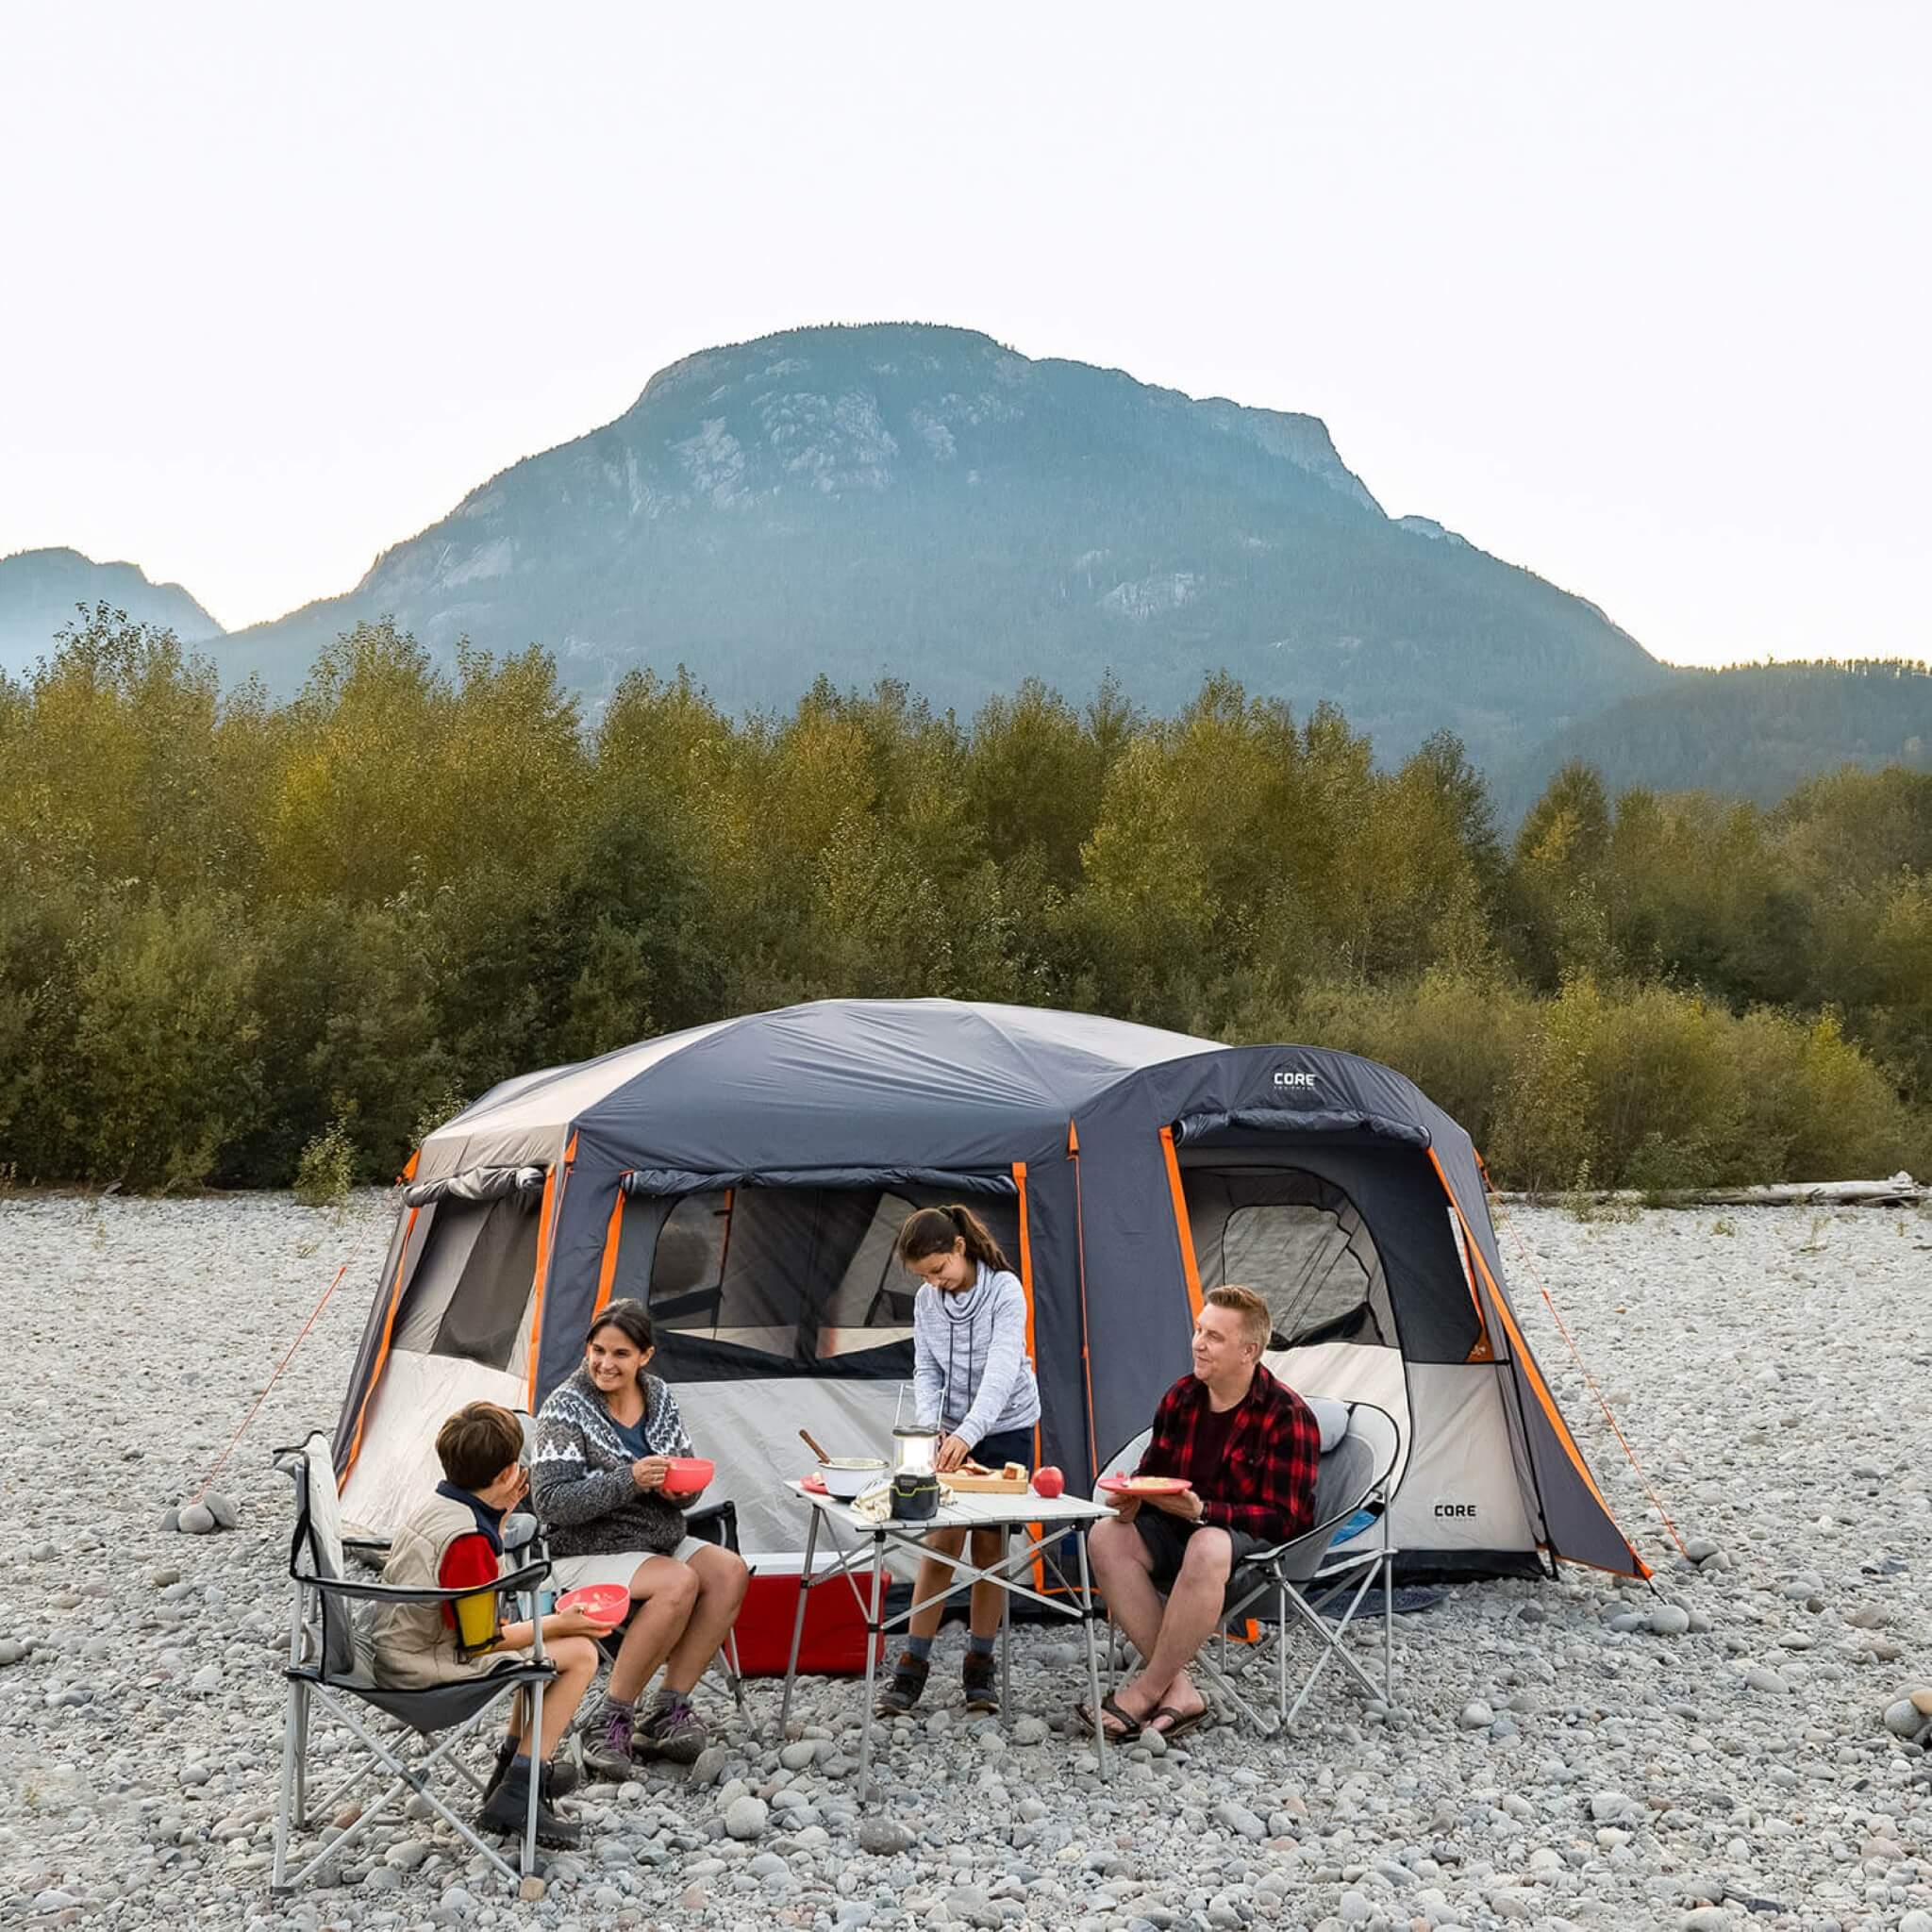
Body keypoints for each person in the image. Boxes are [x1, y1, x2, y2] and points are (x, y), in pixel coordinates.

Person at [1084, 1284, 1320, 1741]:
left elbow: (1288, 1519)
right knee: (1105, 1535)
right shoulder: (1182, 1397)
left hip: (1250, 1554)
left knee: (1208, 1542)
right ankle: (1179, 1688)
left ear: (1249, 1351)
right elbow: (1152, 1473)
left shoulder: (1287, 1415)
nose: (1198, 1343)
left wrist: (1207, 1511)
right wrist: (1133, 1499)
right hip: (1178, 1531)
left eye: (1214, 1336)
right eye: (1198, 1330)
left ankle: (1146, 1689)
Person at [370, 1400, 605, 1847]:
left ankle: (510, 1769)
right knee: (579, 1653)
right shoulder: (469, 1541)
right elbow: (481, 1641)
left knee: (541, 1654)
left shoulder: (442, 1506)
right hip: (427, 1670)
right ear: (506, 1474)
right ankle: (521, 1788)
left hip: (402, 1647)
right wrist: (557, 1623)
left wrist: (499, 1517)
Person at [531, 1298, 750, 1777]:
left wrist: (681, 1491)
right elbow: (549, 1503)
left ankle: (667, 1710)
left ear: (645, 1356)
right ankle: (610, 1718)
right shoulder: (565, 1408)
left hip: (658, 1540)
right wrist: (629, 1479)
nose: (605, 1364)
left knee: (729, 1571)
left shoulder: (659, 1397)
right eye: (598, 1350)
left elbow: (685, 1483)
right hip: (587, 1549)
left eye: (620, 1354)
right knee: (678, 1581)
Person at [875, 1204, 1042, 1719]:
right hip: (951, 1431)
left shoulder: (1005, 1292)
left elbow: (1001, 1371)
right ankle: (912, 1666)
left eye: (939, 1269)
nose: (935, 1282)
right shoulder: (928, 1301)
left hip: (1006, 1427)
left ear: (959, 1248)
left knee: (990, 1549)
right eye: (924, 1276)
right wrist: (931, 1429)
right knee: (941, 1542)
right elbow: (926, 1368)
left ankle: (980, 1667)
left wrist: (970, 1433)